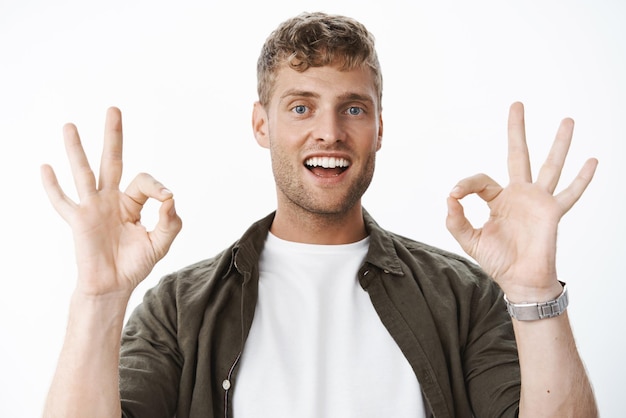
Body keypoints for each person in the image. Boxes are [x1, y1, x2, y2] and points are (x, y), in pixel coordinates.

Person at [41, 11, 598, 418]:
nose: (329, 131)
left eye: (353, 108)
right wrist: (99, 299)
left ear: (379, 127)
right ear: (262, 124)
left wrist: (533, 291)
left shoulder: (463, 296)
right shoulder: (180, 310)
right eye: (301, 106)